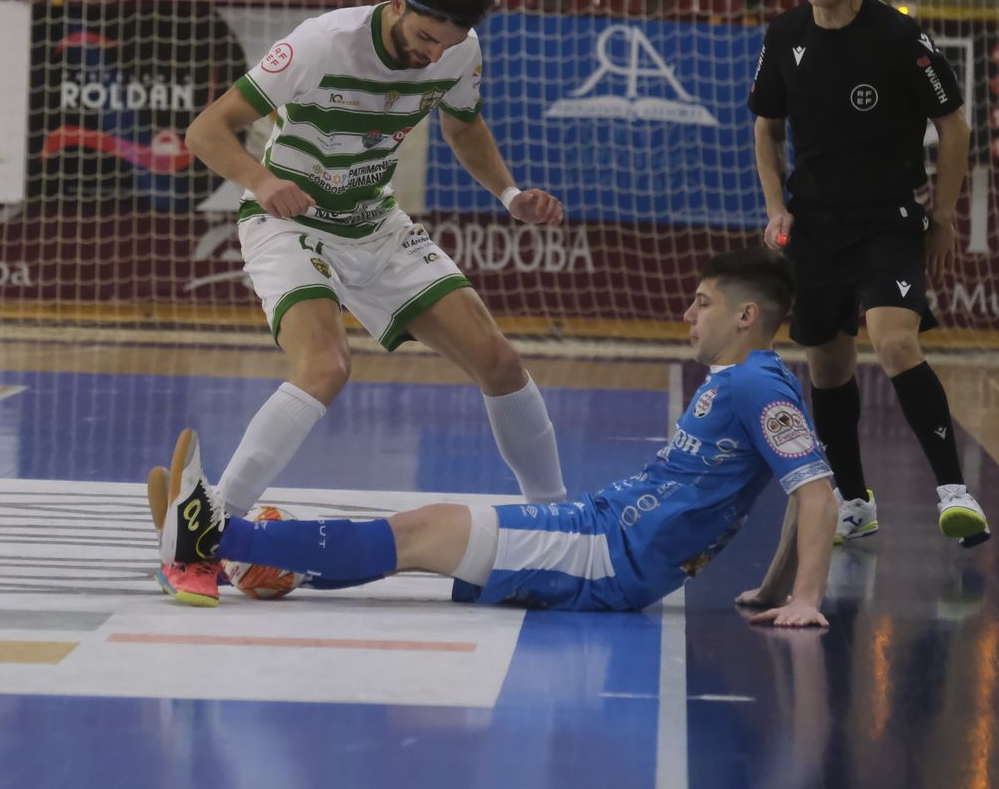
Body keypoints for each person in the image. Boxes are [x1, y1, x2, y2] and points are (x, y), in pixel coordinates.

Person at [171, 0, 568, 602]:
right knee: (325, 368)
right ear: (395, 3)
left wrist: (509, 193)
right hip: (289, 219)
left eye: (448, 44)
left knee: (498, 361)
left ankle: (557, 523)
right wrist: (262, 181)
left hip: (375, 222)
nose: (432, 55)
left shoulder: (456, 52)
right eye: (423, 38)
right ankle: (202, 533)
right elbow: (207, 130)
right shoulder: (321, 44)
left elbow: (464, 127)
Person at [149, 248, 836, 627]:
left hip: (611, 560)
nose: (688, 313)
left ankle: (213, 538)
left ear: (747, 315)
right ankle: (266, 558)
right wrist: (774, 589)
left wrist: (804, 597)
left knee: (421, 533)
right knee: (422, 535)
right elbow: (799, 491)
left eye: (704, 303)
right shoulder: (741, 380)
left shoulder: (755, 386)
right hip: (600, 531)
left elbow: (817, 493)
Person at [749, 0, 989, 548]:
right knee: (827, 368)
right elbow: (766, 128)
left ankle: (953, 492)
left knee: (894, 343)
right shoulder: (784, 35)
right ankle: (855, 501)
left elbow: (955, 124)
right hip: (815, 228)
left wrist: (941, 215)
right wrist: (777, 206)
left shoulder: (900, 36)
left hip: (887, 221)